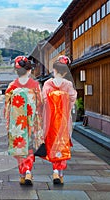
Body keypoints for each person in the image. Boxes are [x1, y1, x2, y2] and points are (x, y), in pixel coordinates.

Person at [4, 56, 43, 186]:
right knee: (30, 148)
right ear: (29, 70)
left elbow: (7, 106)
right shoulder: (35, 85)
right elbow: (40, 103)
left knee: (20, 148)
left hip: (17, 124)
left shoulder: (12, 86)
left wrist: (8, 122)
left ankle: (23, 173)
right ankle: (28, 172)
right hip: (31, 122)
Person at [42, 55, 77, 185]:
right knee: (62, 144)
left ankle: (55, 170)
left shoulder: (47, 84)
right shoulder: (68, 85)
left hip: (51, 120)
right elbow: (72, 99)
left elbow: (44, 100)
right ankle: (59, 172)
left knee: (52, 143)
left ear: (54, 70)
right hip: (63, 119)